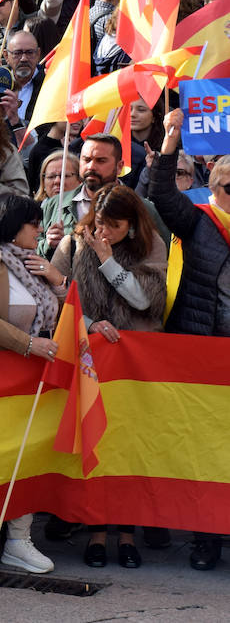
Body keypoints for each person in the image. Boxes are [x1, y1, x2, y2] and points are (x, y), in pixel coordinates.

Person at [50, 184, 166, 570]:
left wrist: (107, 259)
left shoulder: (151, 247)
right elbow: (58, 301)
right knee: (97, 445)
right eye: (100, 224)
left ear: (132, 224)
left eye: (114, 226)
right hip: (93, 360)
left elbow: (144, 300)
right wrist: (89, 323)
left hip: (135, 368)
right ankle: (97, 532)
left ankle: (128, 536)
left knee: (129, 448)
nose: (105, 233)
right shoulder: (72, 245)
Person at [0, 193, 66, 576]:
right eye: (32, 223)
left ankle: (19, 539)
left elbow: (67, 311)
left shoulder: (36, 262)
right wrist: (30, 344)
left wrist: (57, 278)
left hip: (32, 378)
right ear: (11, 225)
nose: (39, 229)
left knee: (27, 458)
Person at [147, 109, 230, 570]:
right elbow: (161, 193)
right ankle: (206, 541)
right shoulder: (197, 222)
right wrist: (170, 141)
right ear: (215, 187)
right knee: (204, 450)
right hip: (203, 351)